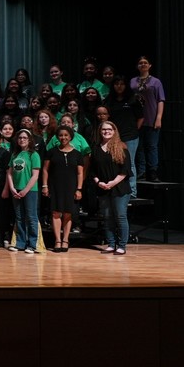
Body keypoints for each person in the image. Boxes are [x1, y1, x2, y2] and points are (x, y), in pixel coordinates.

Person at [89, 120, 133, 255]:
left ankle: (122, 245)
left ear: (114, 131)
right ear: (100, 132)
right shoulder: (96, 148)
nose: (106, 131)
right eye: (104, 129)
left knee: (120, 216)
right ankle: (111, 244)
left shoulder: (121, 147)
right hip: (103, 188)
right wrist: (98, 182)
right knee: (107, 217)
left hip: (120, 188)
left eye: (109, 129)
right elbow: (92, 170)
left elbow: (125, 170)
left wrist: (113, 183)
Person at [40, 126, 84, 253]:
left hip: (71, 187)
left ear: (70, 137)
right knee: (55, 213)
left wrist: (79, 189)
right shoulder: (52, 152)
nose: (63, 137)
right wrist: (45, 185)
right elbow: (45, 170)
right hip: (55, 186)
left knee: (68, 213)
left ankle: (65, 239)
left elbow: (80, 173)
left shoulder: (77, 154)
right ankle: (57, 240)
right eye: (61, 135)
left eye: (66, 135)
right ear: (57, 137)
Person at [6, 129, 41, 254]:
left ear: (30, 140)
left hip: (30, 190)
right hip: (16, 190)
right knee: (19, 217)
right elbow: (9, 173)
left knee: (31, 217)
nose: (22, 140)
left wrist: (25, 190)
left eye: (25, 138)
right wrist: (12, 188)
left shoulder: (34, 155)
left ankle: (32, 244)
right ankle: (20, 243)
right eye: (20, 138)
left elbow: (35, 176)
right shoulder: (15, 154)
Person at [134, 55, 166, 182]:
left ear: (150, 65)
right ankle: (141, 172)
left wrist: (159, 117)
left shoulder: (156, 82)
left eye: (145, 62)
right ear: (137, 66)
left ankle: (152, 172)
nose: (143, 64)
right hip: (137, 119)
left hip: (151, 118)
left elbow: (160, 100)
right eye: (140, 63)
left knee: (152, 146)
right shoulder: (133, 81)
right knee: (139, 147)